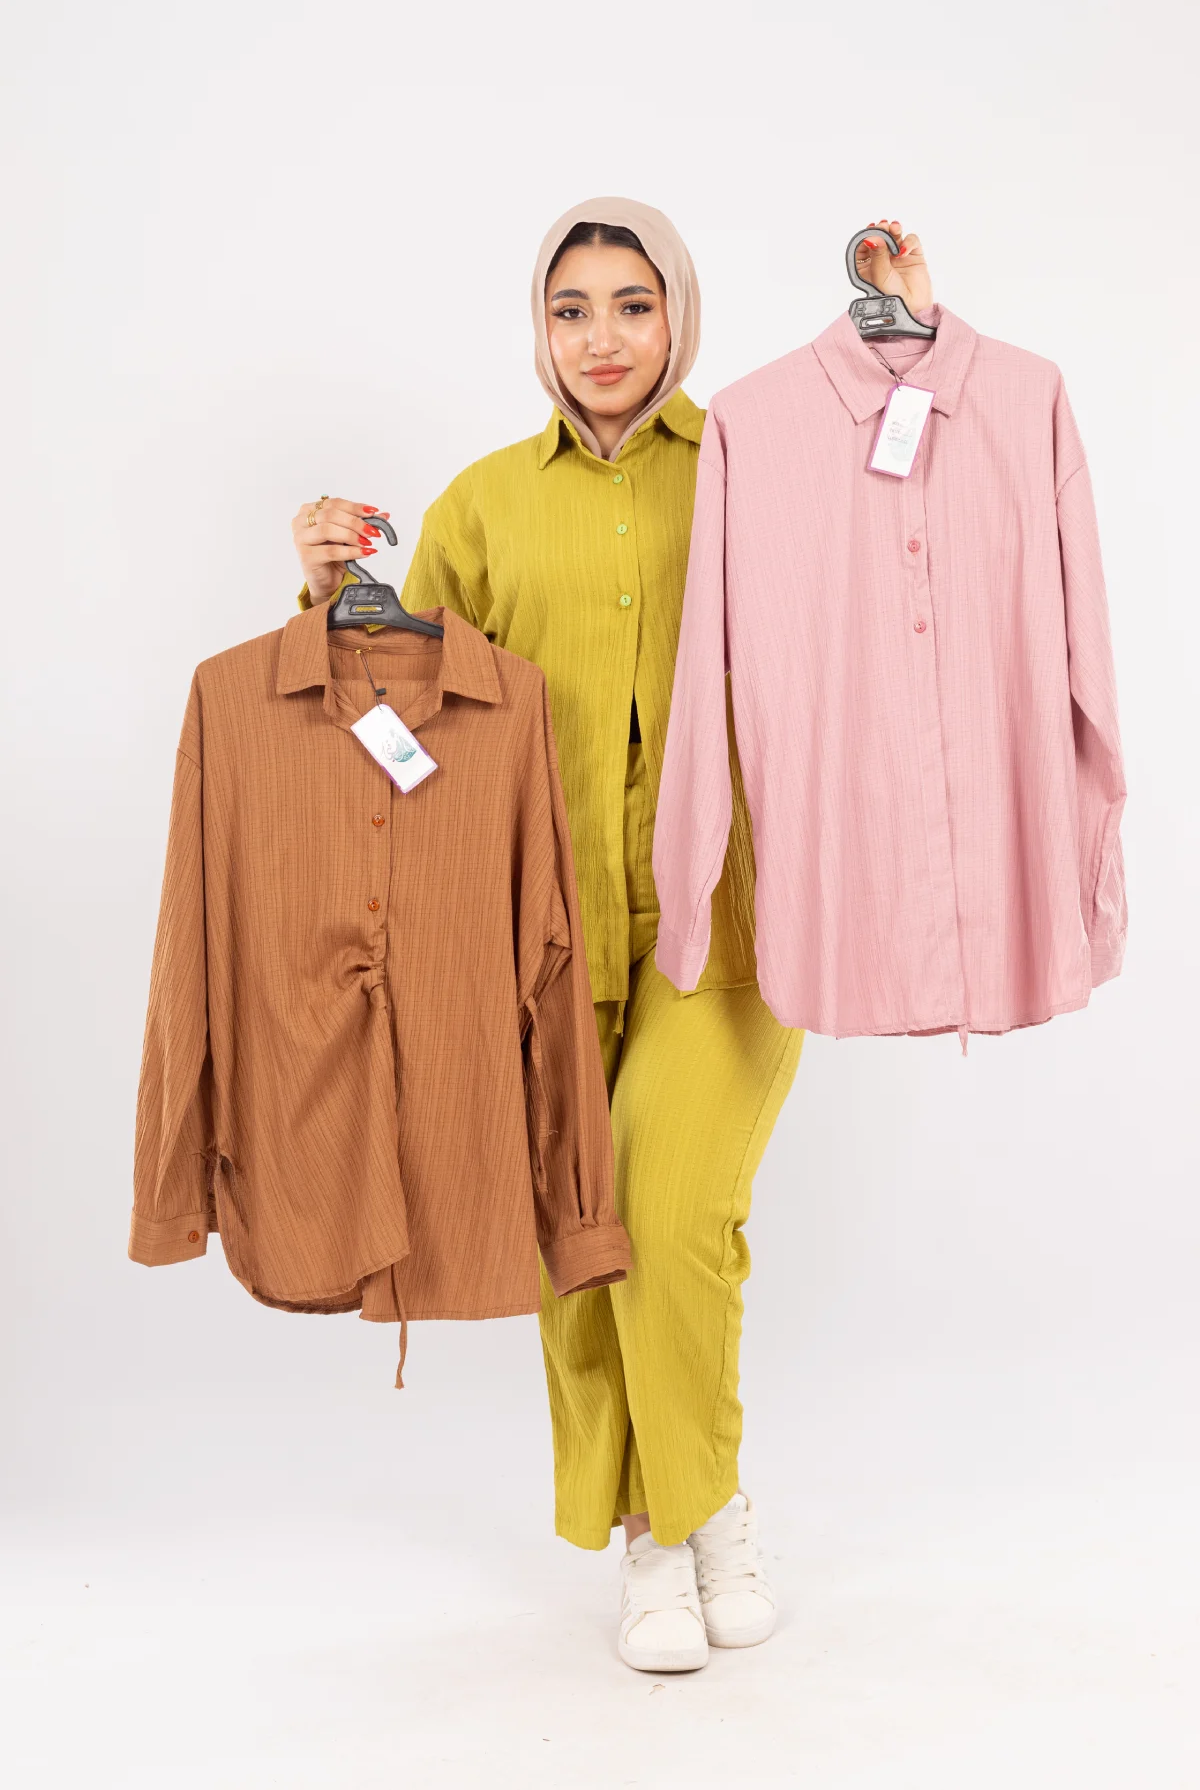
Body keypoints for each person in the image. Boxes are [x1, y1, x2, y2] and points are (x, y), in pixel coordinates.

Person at [292, 200, 933, 1672]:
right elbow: (398, 743)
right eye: (571, 308)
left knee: (673, 1201)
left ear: (677, 316)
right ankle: (657, 1536)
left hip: (739, 917)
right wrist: (333, 608)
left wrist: (900, 330)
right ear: (540, 327)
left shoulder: (758, 464)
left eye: (633, 306)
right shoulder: (479, 508)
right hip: (539, 931)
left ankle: (701, 1501)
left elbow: (904, 538)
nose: (602, 339)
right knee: (581, 1232)